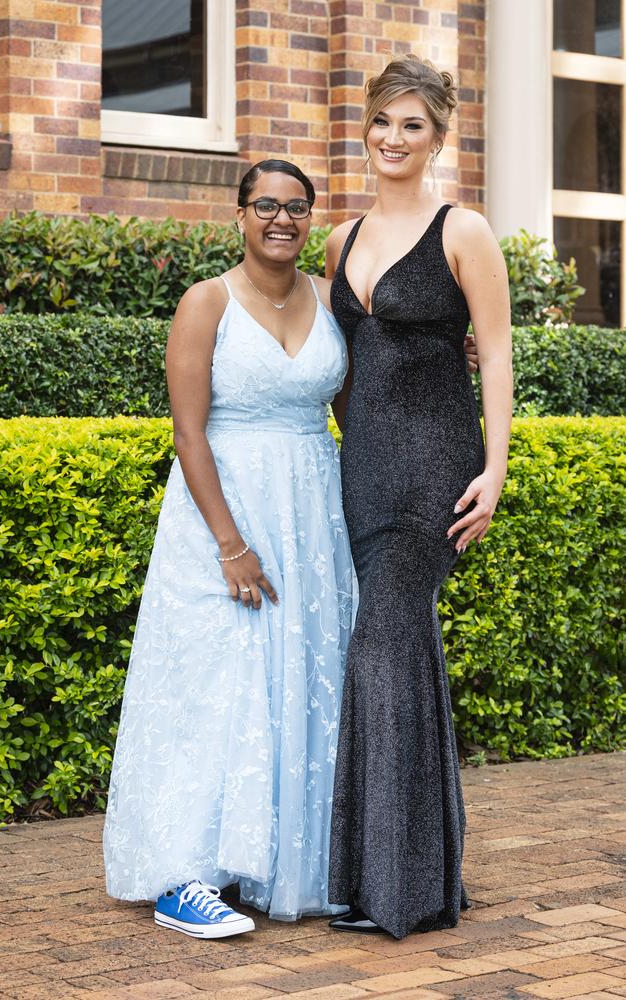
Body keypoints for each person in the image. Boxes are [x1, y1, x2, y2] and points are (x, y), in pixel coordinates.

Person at [103, 159, 355, 938]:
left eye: (297, 208)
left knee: (302, 679)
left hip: (313, 511)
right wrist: (230, 544)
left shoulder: (330, 300)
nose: (283, 219)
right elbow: (188, 432)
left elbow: (362, 401)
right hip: (224, 515)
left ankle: (289, 863)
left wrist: (455, 363)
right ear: (239, 215)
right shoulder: (204, 303)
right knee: (219, 683)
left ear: (310, 219)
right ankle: (187, 876)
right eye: (267, 206)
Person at [326, 54, 513, 939]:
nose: (393, 138)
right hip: (360, 470)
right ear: (364, 128)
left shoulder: (463, 229)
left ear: (439, 138)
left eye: (413, 125)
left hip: (436, 464)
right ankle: (426, 878)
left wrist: (496, 466)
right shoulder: (339, 240)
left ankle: (393, 890)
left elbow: (499, 351)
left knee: (378, 648)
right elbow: (336, 364)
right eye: (382, 121)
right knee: (405, 654)